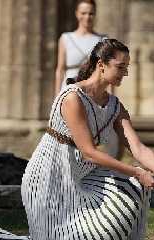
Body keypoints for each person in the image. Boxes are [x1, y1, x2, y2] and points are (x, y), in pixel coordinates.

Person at [0, 39, 154, 240]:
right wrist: (137, 171)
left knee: (132, 187)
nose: (125, 73)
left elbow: (139, 148)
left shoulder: (115, 106)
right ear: (101, 65)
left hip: (83, 177)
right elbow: (89, 152)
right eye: (120, 67)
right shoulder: (73, 98)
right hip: (49, 177)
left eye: (127, 67)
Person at [55, 0, 122, 159]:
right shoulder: (66, 38)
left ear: (95, 14)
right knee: (70, 130)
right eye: (83, 13)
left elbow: (108, 69)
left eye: (91, 13)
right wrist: (57, 94)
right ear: (77, 14)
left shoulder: (103, 39)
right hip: (71, 86)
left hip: (94, 90)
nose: (87, 17)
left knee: (92, 129)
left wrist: (111, 96)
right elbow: (60, 68)